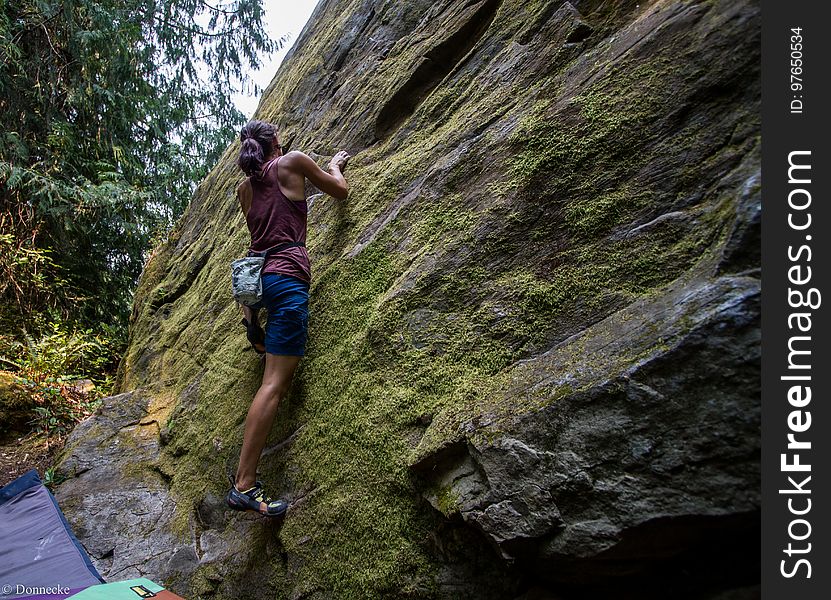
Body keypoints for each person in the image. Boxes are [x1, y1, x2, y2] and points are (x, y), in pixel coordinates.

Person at [226, 120, 350, 516]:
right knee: (274, 386)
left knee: (271, 378)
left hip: (259, 279)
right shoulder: (292, 163)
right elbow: (341, 192)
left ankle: (252, 321)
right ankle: (244, 485)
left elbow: (257, 239)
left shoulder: (244, 190)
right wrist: (334, 165)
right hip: (288, 278)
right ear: (276, 143)